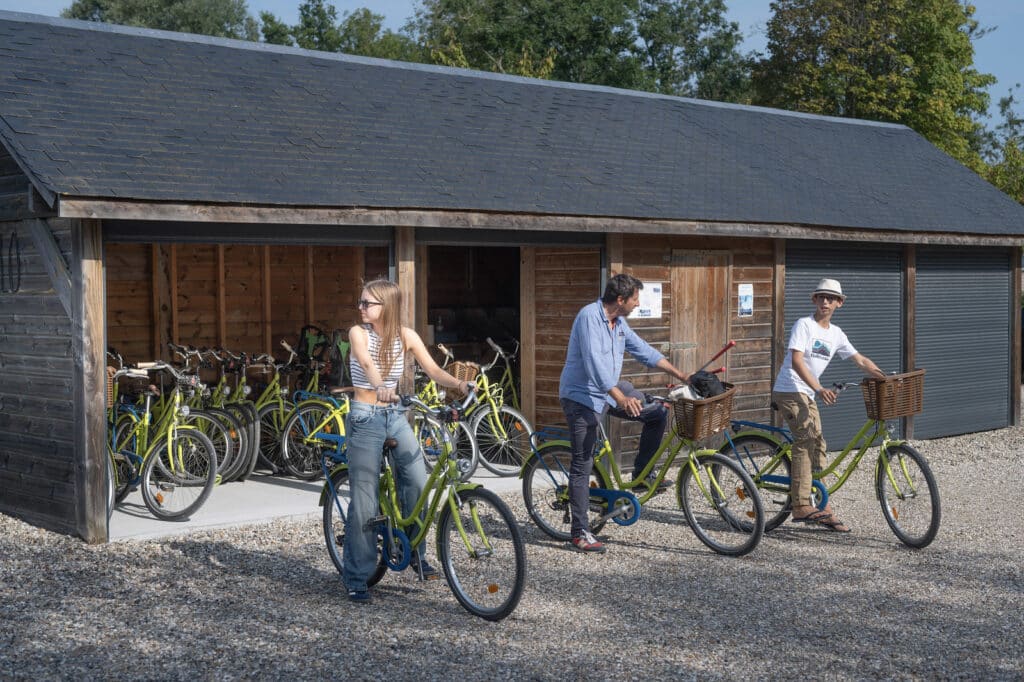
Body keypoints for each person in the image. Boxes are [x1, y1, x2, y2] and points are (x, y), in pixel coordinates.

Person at [343, 279, 475, 603]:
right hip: (364, 416)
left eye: (367, 303)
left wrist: (460, 384)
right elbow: (366, 363)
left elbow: (432, 370)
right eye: (360, 302)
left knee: (417, 481)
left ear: (385, 306)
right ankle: (357, 576)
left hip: (395, 417)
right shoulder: (358, 333)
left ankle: (414, 552)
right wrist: (380, 386)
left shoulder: (406, 336)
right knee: (364, 499)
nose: (360, 308)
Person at [559, 274, 691, 553]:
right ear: (621, 300)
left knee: (656, 413)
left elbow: (643, 350)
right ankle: (580, 532)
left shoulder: (619, 323)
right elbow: (595, 365)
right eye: (635, 299)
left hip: (609, 391)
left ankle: (642, 474)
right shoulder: (588, 318)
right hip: (581, 396)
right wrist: (621, 398)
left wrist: (681, 374)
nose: (637, 303)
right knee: (583, 462)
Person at [771, 278, 885, 533]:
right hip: (790, 389)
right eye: (821, 297)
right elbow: (797, 361)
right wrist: (819, 388)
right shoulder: (804, 325)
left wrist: (885, 377)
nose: (825, 302)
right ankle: (801, 504)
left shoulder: (836, 334)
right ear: (814, 300)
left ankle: (820, 503)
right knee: (805, 438)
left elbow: (860, 360)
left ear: (839, 303)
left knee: (819, 442)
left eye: (831, 298)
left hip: (808, 393)